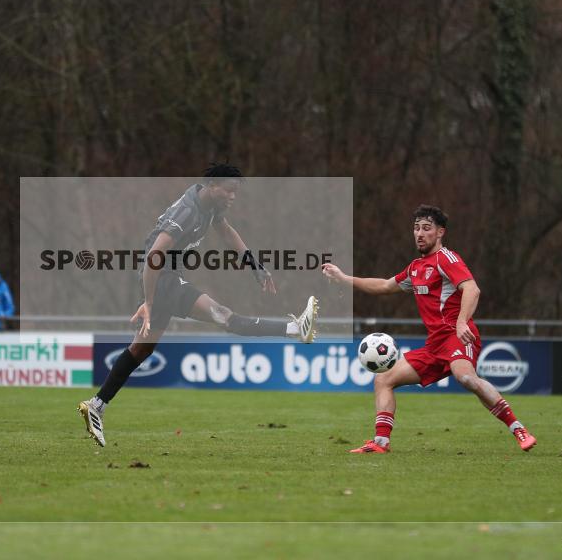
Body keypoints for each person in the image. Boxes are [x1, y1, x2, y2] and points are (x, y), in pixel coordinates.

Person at [78, 164, 319, 447]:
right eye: (228, 190)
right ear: (211, 185)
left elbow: (227, 231)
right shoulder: (188, 212)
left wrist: (254, 265)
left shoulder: (210, 206)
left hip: (166, 278)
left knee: (141, 349)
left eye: (235, 192)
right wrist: (149, 301)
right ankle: (295, 329)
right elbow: (155, 254)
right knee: (227, 318)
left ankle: (97, 404)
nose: (232, 197)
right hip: (161, 279)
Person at [322, 204, 537, 453]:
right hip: (434, 345)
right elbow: (383, 286)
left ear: (440, 232)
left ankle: (519, 429)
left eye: (426, 228)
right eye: (416, 228)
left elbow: (472, 289)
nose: (420, 233)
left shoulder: (446, 259)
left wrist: (461, 322)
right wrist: (343, 277)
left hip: (458, 337)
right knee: (384, 379)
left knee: (465, 376)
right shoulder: (415, 268)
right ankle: (380, 443)